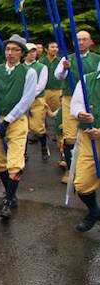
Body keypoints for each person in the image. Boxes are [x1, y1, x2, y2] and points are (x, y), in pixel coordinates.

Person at [0, 34, 38, 219]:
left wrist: (8, 119)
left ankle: (8, 201)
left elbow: (27, 99)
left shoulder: (29, 72)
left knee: (15, 162)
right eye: (8, 49)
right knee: (0, 162)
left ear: (22, 53)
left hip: (16, 120)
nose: (10, 53)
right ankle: (10, 194)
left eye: (15, 50)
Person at [54, 30, 100, 183]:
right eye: (78, 40)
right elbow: (58, 76)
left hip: (92, 99)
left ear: (90, 42)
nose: (81, 42)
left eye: (84, 39)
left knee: (90, 132)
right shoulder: (67, 59)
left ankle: (89, 167)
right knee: (70, 136)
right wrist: (64, 68)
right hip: (70, 98)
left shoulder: (97, 59)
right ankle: (69, 168)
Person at [72, 72, 100, 232]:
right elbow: (76, 104)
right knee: (82, 184)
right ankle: (94, 211)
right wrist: (80, 114)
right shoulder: (87, 79)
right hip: (88, 138)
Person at [24, 43, 50, 160]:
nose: (32, 54)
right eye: (29, 51)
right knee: (22, 128)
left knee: (37, 128)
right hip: (22, 102)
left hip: (36, 100)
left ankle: (44, 146)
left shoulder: (41, 67)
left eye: (34, 51)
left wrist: (28, 95)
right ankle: (22, 153)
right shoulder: (20, 67)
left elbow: (41, 85)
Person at [41, 41, 63, 113]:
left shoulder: (61, 61)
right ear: (46, 49)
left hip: (57, 90)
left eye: (56, 47)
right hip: (44, 91)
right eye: (52, 47)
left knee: (56, 113)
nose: (55, 49)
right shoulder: (41, 62)